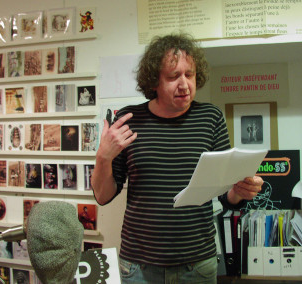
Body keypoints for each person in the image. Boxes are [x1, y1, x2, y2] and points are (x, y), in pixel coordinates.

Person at [91, 33, 264, 283]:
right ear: (154, 82)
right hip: (139, 265)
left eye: (189, 74)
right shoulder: (130, 119)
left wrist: (241, 190)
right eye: (173, 76)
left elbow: (226, 195)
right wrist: (103, 157)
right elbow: (103, 195)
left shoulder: (210, 118)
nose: (184, 84)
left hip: (198, 263)